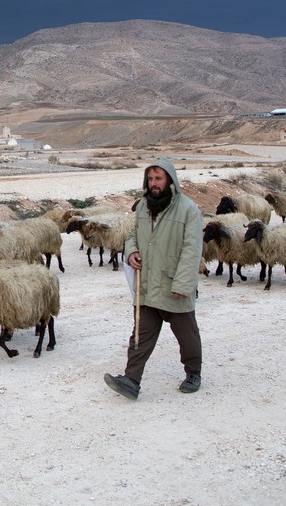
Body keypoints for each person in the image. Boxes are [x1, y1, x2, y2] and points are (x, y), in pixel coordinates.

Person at [105, 159, 203, 400]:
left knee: (187, 336)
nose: (154, 183)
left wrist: (183, 284)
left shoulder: (188, 209)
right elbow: (132, 234)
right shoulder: (143, 208)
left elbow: (192, 250)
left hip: (172, 284)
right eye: (150, 179)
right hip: (147, 283)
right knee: (140, 335)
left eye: (158, 178)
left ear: (170, 179)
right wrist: (132, 252)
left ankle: (193, 373)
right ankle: (131, 380)